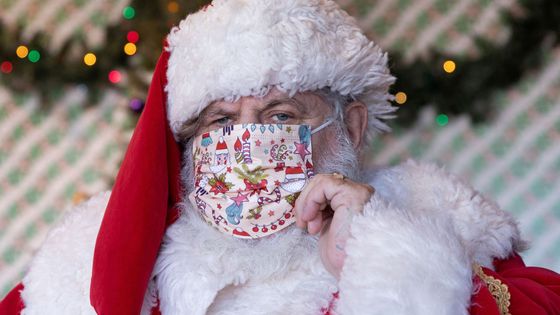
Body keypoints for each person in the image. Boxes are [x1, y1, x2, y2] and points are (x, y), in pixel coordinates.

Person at [2, 0, 560, 314]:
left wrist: (380, 254)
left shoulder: (438, 222)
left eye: (282, 115)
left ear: (351, 127)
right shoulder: (83, 261)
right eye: (219, 121)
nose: (247, 142)